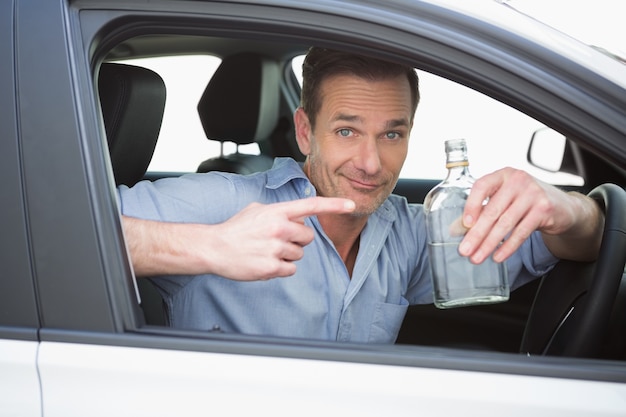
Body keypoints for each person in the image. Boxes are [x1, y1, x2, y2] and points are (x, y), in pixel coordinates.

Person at [118, 47, 604, 342]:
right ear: (306, 133)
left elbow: (569, 243)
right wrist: (209, 246)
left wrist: (568, 209)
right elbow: (53, 232)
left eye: (392, 134)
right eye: (347, 132)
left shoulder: (412, 234)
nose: (371, 164)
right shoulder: (221, 205)